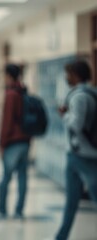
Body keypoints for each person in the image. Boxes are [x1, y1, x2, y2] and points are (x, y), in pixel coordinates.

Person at [55, 60, 97, 240]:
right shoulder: (92, 92)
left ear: (76, 74)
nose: (67, 77)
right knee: (71, 199)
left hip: (82, 155)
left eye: (69, 73)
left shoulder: (79, 96)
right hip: (81, 154)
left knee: (87, 197)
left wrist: (65, 115)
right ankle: (61, 236)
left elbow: (76, 124)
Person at [0, 64, 31, 219]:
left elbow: (7, 121)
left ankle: (2, 210)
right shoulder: (23, 91)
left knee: (5, 178)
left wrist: (2, 143)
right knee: (22, 177)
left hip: (13, 142)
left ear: (9, 75)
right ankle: (19, 211)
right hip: (25, 141)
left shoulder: (11, 94)